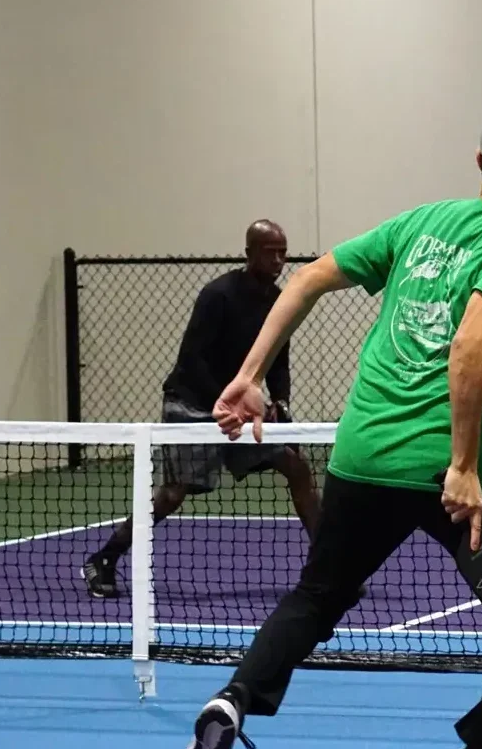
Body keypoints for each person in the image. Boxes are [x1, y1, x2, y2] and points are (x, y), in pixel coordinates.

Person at [179, 100, 482, 749]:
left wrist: (248, 375)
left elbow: (305, 281)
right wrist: (459, 465)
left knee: (319, 593)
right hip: (453, 476)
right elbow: (471, 344)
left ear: (478, 162)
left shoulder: (417, 222)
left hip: (363, 455)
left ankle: (233, 701)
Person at [81, 220, 321, 598]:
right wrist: (229, 405)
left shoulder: (278, 301)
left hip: (239, 410)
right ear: (249, 253)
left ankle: (326, 567)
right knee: (173, 494)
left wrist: (280, 402)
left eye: (283, 252)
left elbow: (278, 361)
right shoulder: (218, 295)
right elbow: (192, 359)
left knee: (296, 466)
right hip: (191, 403)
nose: (278, 259)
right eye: (270, 251)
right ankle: (105, 558)